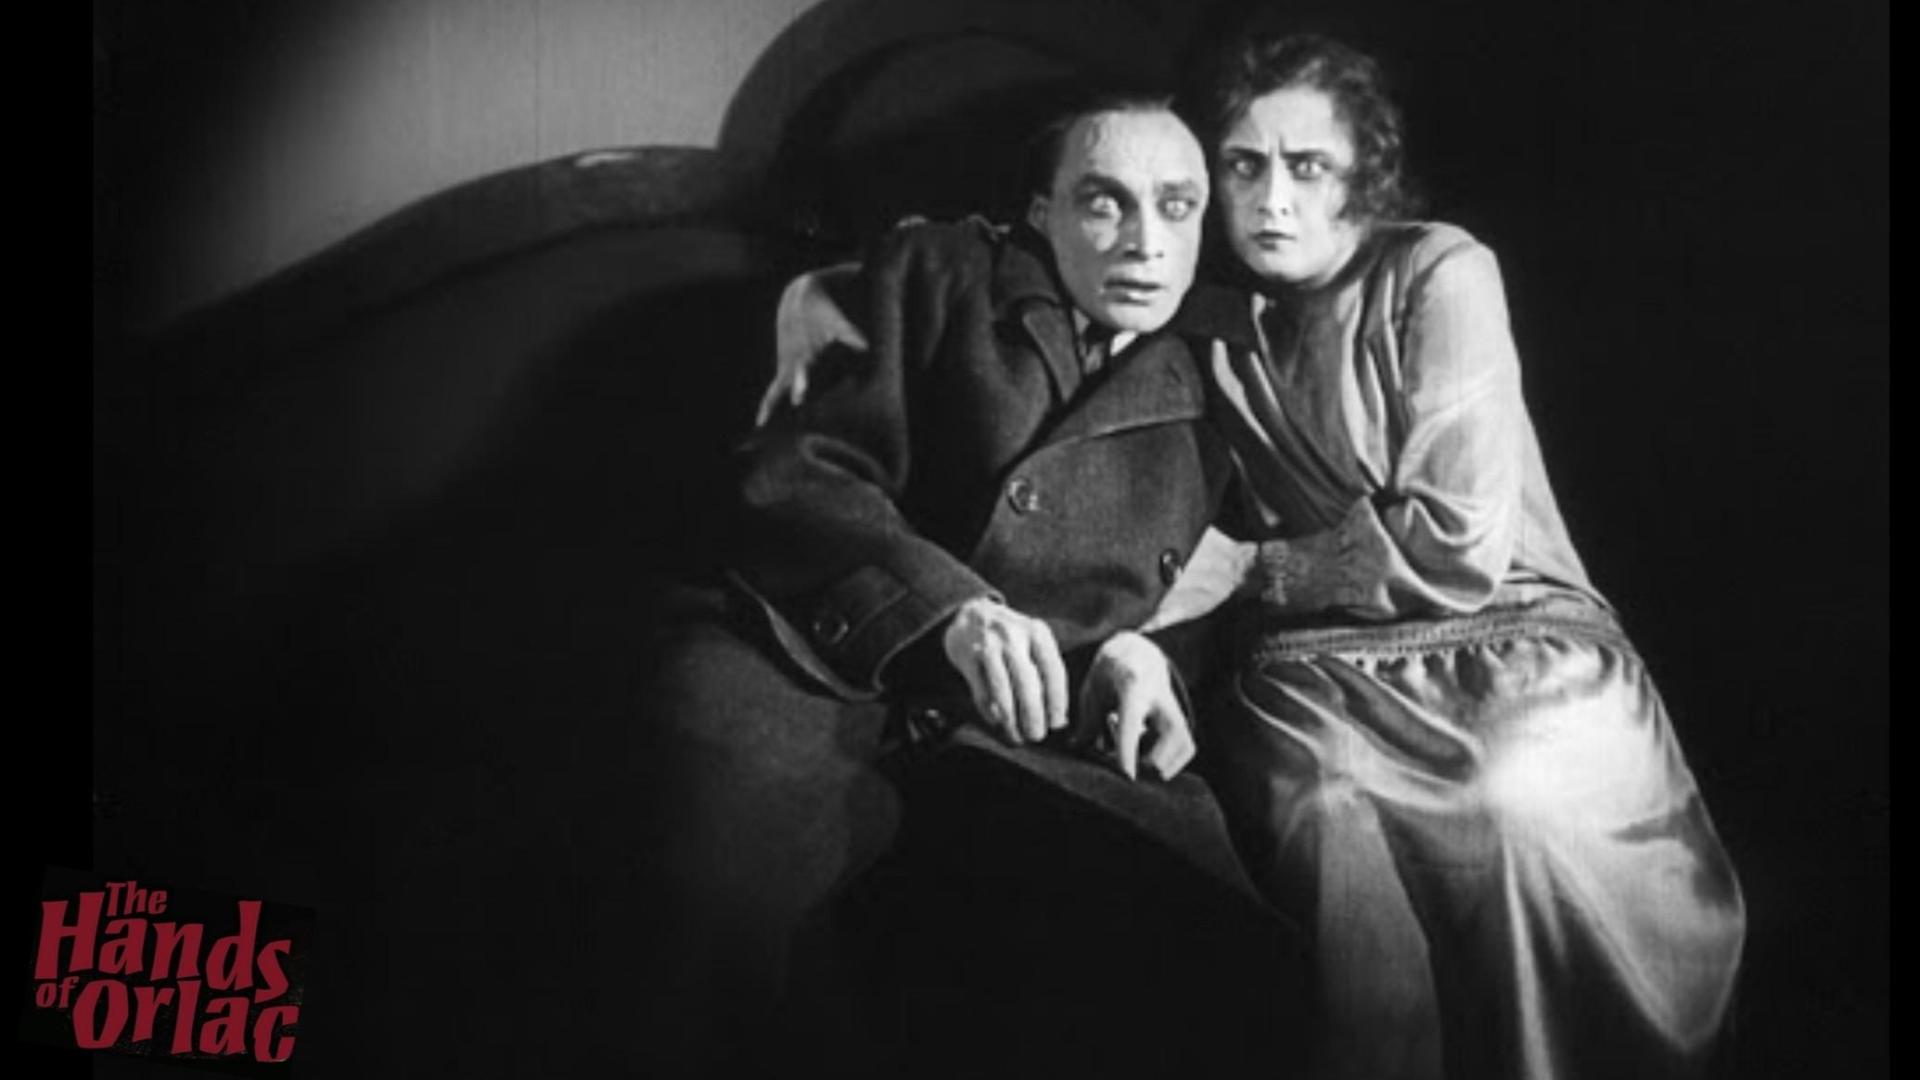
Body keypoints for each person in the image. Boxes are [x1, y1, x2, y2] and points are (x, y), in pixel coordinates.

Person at [1154, 31, 1749, 1080]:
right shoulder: (1210, 322)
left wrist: (1255, 570)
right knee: (1326, 820)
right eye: (1244, 166)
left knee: (1516, 803)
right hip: (1314, 674)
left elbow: (1458, 546)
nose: (1273, 200)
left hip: (1515, 634)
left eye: (1308, 166)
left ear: (1363, 176)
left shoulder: (1439, 268)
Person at [630, 95, 1260, 1076]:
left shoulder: (1231, 377)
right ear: (1040, 213)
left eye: (1177, 206)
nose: (1145, 241)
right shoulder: (940, 274)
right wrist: (952, 607)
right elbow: (796, 473)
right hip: (810, 654)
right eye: (1104, 202)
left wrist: (1148, 653)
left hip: (1033, 719)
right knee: (712, 900)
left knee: (1207, 947)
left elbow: (1228, 579)